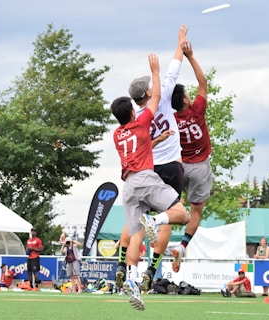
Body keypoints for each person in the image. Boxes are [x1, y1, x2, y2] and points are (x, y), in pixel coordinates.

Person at [111, 52, 189, 311]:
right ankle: (155, 220)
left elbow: (139, 147)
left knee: (135, 238)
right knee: (181, 214)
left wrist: (156, 140)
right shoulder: (142, 120)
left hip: (129, 186)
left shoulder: (118, 134)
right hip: (146, 178)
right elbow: (155, 97)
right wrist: (155, 71)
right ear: (133, 112)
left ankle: (132, 281)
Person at [170, 40, 212, 273]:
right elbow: (203, 82)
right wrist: (190, 56)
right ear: (187, 100)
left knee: (171, 207)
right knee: (197, 212)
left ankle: (159, 231)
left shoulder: (172, 120)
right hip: (199, 168)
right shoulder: (197, 110)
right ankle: (184, 245)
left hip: (180, 168)